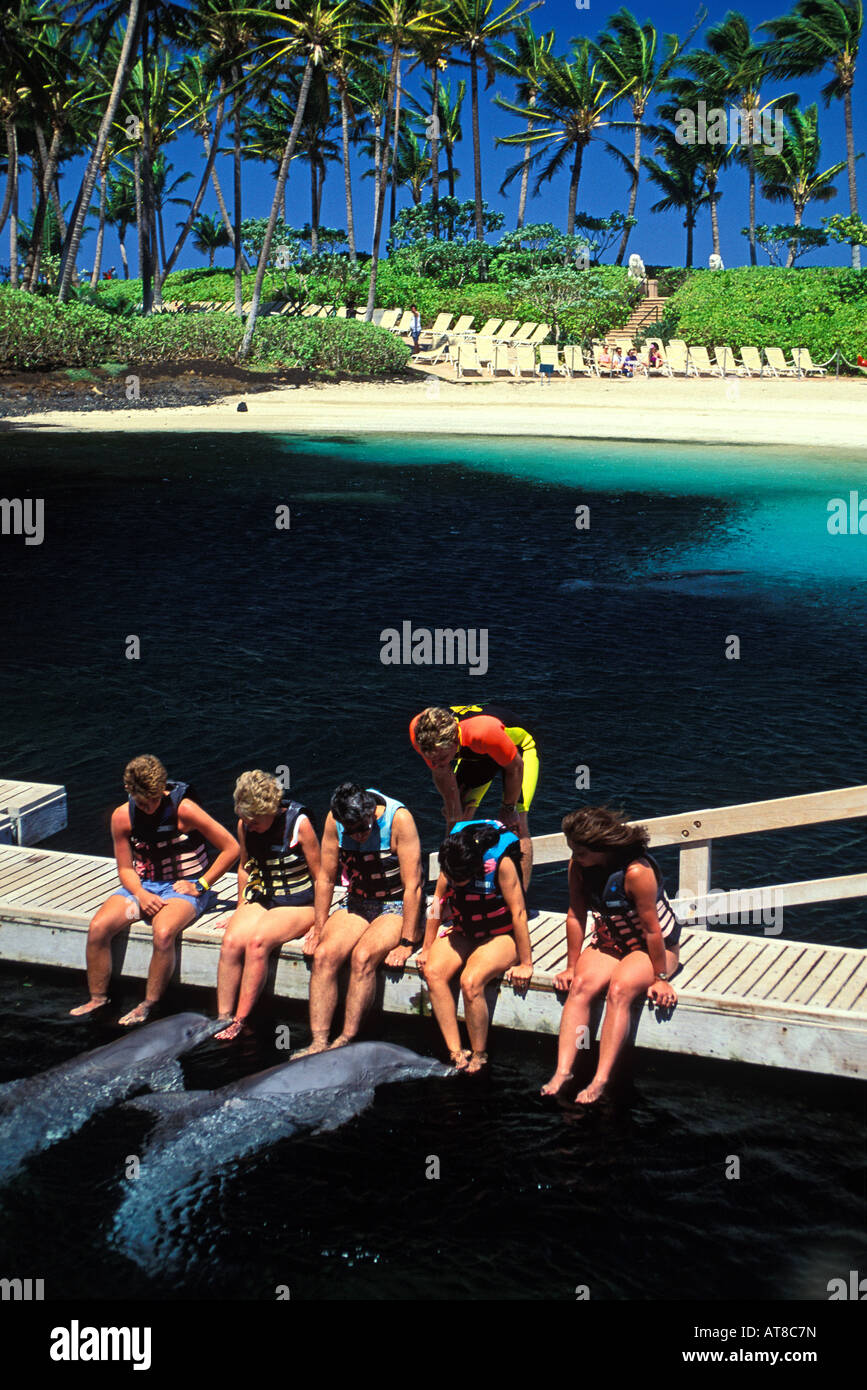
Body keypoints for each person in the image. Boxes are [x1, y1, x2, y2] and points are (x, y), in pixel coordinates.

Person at [70, 755, 239, 1025]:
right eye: (141, 803)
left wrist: (201, 884)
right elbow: (126, 869)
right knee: (99, 926)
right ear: (130, 793)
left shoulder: (185, 810)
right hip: (143, 886)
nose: (148, 809)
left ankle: (148, 1003)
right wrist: (140, 893)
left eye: (153, 801)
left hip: (183, 886)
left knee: (162, 933)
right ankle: (98, 998)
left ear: (163, 790)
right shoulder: (122, 817)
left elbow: (232, 847)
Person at [541, 806, 680, 1104]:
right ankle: (564, 1070)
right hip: (612, 942)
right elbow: (576, 915)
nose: (574, 855)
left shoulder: (636, 873)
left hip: (655, 949)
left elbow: (653, 931)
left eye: (579, 851)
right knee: (580, 986)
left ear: (600, 847)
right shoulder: (578, 867)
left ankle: (601, 1078)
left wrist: (660, 978)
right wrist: (570, 966)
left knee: (620, 990)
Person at [298, 783, 424, 1053]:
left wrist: (407, 942)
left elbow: (413, 885)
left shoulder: (399, 818)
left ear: (371, 814)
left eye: (362, 830)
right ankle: (319, 1041)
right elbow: (327, 877)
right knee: (324, 955)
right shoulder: (336, 820)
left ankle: (346, 1039)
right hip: (358, 899)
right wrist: (319, 929)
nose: (355, 837)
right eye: (350, 832)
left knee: (363, 956)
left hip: (395, 904)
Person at [418, 820, 532, 1071]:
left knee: (470, 982)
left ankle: (480, 1053)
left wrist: (526, 963)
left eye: (462, 878)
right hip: (464, 929)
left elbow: (519, 913)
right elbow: (437, 904)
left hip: (500, 934)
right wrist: (427, 948)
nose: (456, 883)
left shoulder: (500, 865)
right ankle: (456, 1050)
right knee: (433, 972)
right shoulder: (450, 864)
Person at [214, 770, 321, 1040]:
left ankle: (240, 1019)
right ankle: (221, 1017)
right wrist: (240, 907)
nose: (249, 826)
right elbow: (244, 869)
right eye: (245, 820)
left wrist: (320, 924)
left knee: (257, 942)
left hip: (300, 903)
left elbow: (322, 877)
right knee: (232, 940)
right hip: (264, 898)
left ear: (271, 810)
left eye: (254, 821)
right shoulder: (244, 826)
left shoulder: (300, 824)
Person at [410, 704, 539, 888]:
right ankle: (450, 894)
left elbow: (515, 768)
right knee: (457, 824)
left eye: (442, 758)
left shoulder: (482, 732)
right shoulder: (419, 731)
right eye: (431, 759)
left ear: (454, 743)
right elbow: (442, 772)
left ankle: (520, 903)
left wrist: (508, 807)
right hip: (478, 755)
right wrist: (454, 814)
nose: (436, 763)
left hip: (518, 751)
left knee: (516, 824)